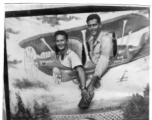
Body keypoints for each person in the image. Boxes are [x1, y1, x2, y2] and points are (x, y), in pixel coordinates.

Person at [79, 14, 114, 109]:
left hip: (105, 73)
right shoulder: (90, 40)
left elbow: (104, 60)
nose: (92, 28)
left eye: (94, 25)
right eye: (89, 26)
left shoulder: (105, 39)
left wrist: (91, 84)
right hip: (95, 72)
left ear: (100, 25)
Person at [54, 30, 90, 103]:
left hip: (71, 93)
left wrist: (83, 89)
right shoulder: (58, 57)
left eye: (62, 40)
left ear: (67, 41)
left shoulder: (72, 55)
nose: (60, 43)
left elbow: (81, 71)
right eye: (57, 41)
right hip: (62, 94)